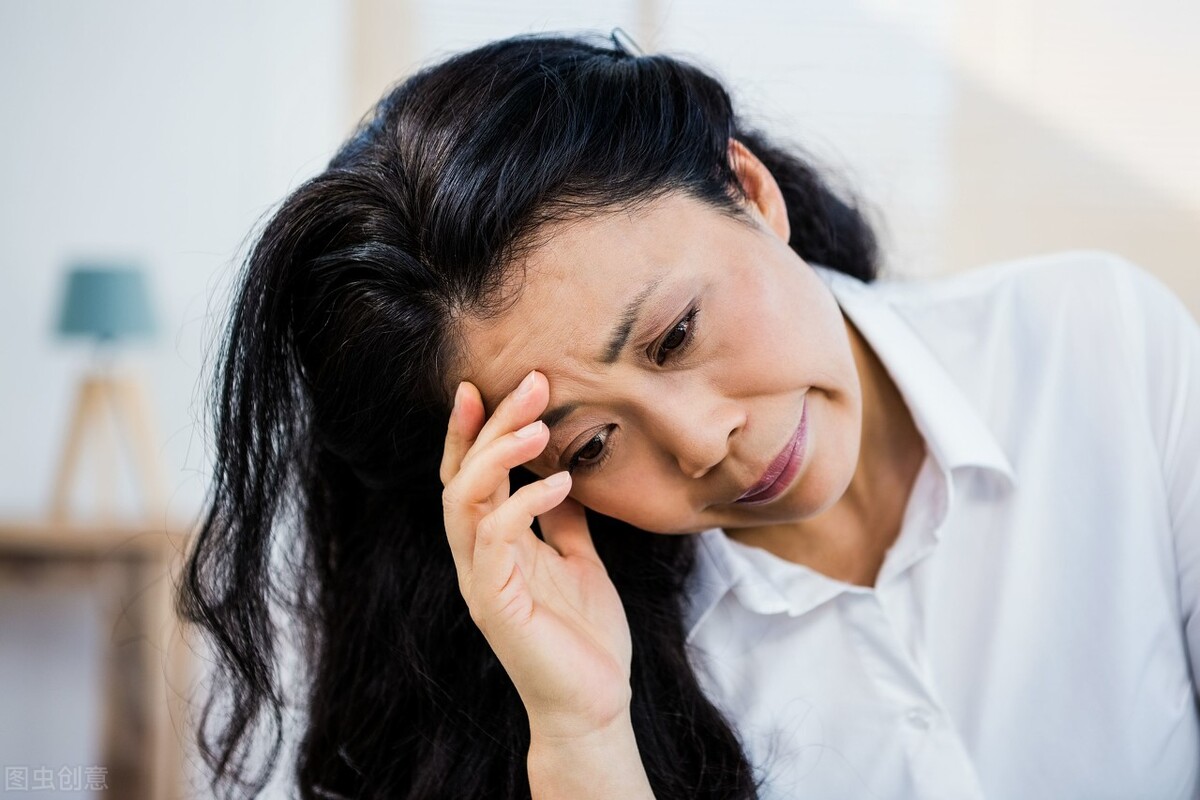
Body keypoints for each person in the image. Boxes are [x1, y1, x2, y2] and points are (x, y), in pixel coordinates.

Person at [179, 32, 1200, 800]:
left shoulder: (1097, 345)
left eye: (675, 334)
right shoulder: (587, 660)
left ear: (748, 190)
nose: (701, 438)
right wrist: (583, 732)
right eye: (589, 441)